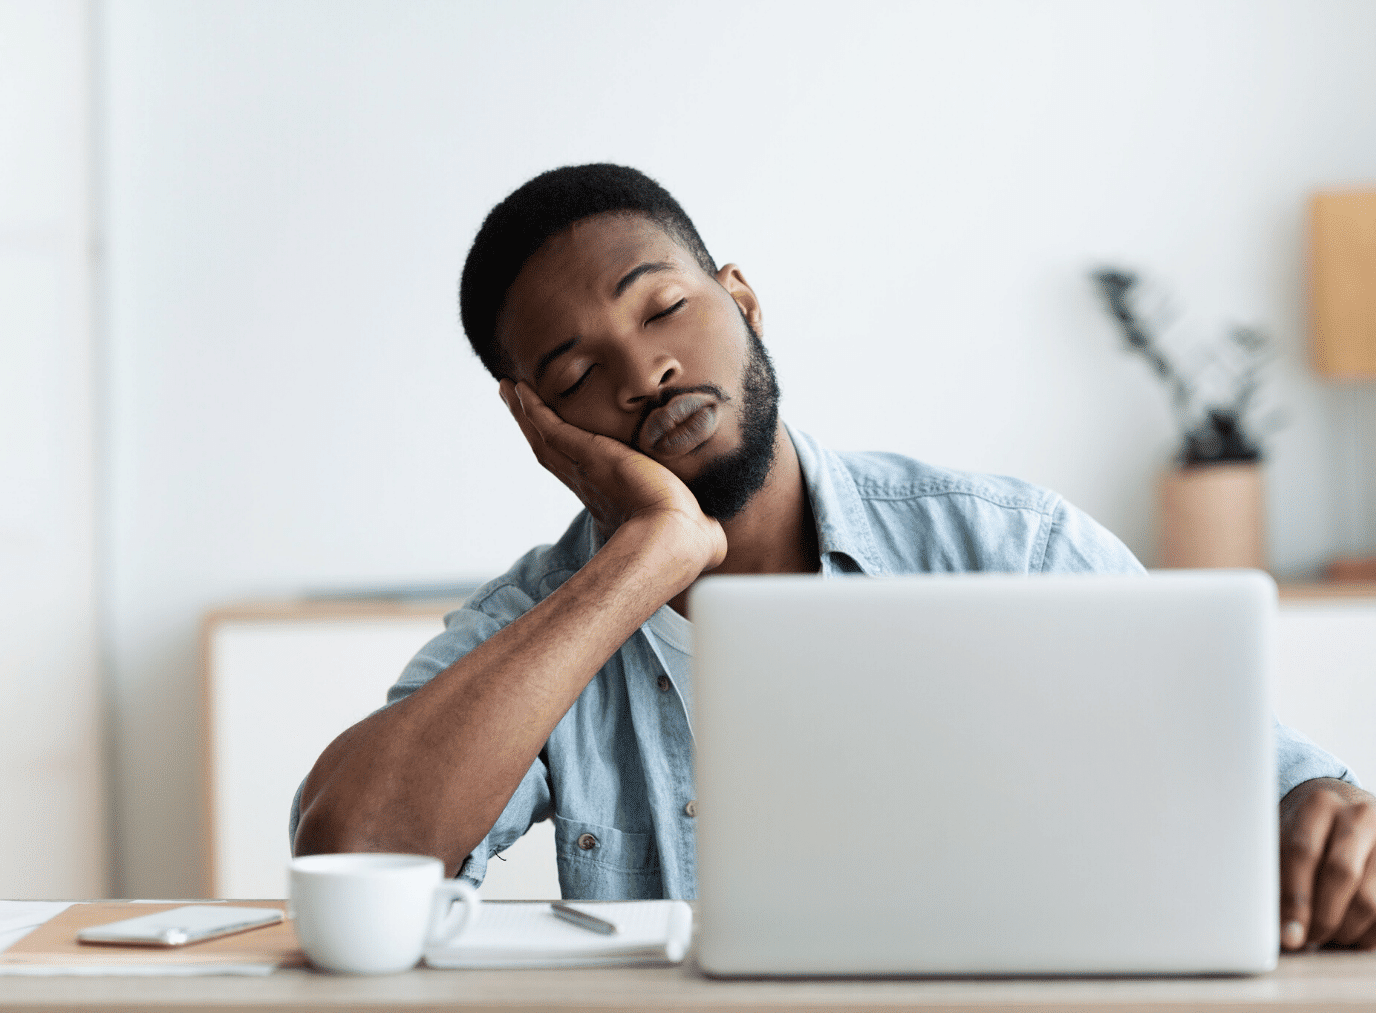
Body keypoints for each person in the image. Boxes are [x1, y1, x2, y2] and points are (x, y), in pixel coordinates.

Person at [293, 163, 1376, 951]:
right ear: (537, 426)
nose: (647, 371)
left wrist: (1319, 820)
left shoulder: (1006, 542)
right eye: (577, 374)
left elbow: (1278, 787)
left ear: (743, 301)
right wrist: (647, 557)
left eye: (665, 307)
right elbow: (349, 854)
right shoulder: (537, 624)